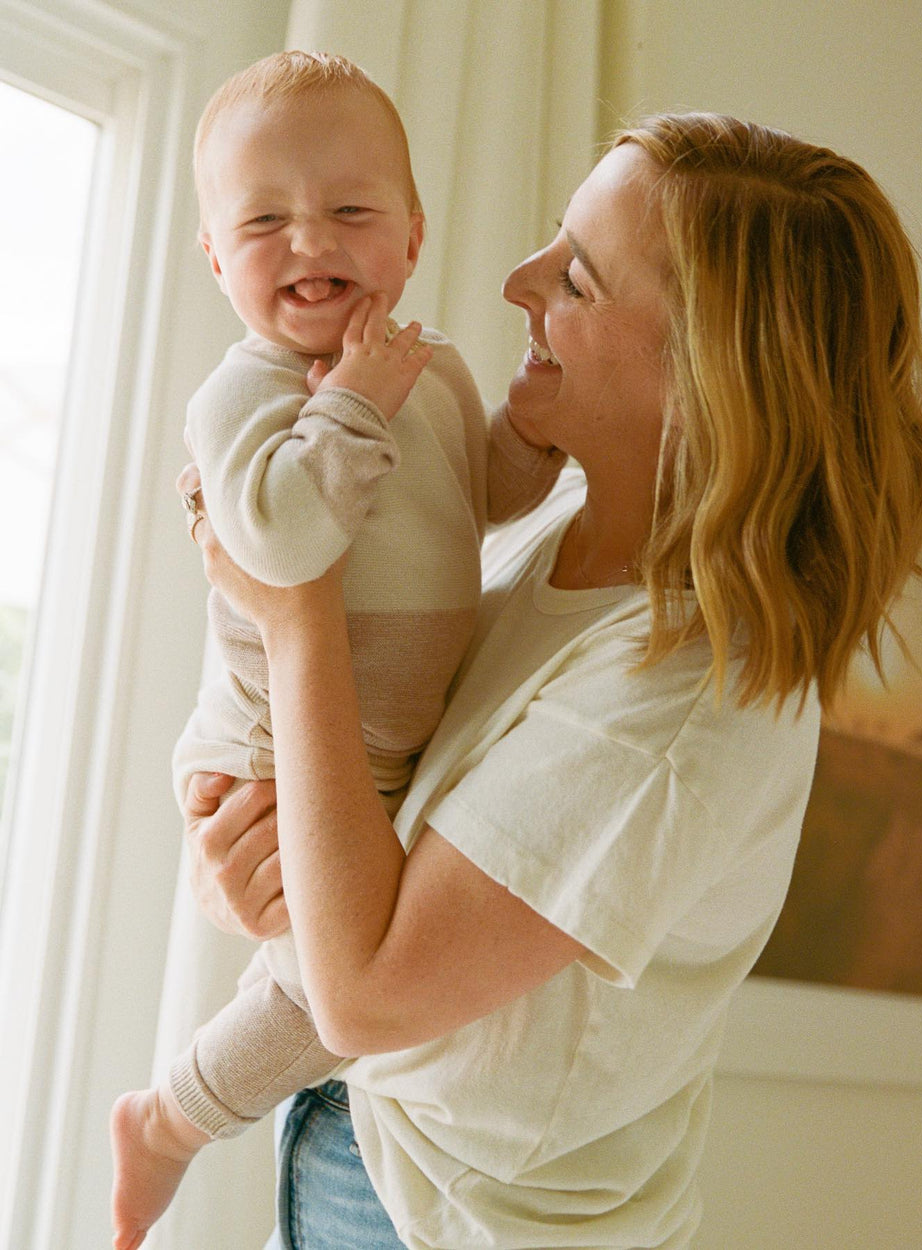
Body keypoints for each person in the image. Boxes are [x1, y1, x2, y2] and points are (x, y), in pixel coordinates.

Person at [179, 113, 922, 1248]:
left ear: (701, 376)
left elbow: (364, 992)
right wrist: (248, 864)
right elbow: (365, 847)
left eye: (575, 278)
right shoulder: (540, 542)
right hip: (363, 1143)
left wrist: (294, 617)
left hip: (465, 1222)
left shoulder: (691, 693)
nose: (513, 280)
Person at [109, 51, 562, 1250]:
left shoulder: (431, 370)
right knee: (330, 990)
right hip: (273, 740)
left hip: (375, 746)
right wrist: (352, 400)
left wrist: (536, 425)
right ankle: (164, 1122)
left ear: (409, 239)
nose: (309, 241)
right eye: (264, 221)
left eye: (349, 211)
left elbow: (485, 487)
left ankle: (186, 1113)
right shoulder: (247, 386)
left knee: (349, 981)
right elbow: (282, 541)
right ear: (216, 257)